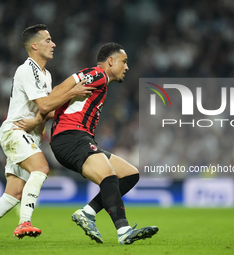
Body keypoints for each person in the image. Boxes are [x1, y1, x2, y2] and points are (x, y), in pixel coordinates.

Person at [0, 24, 93, 246]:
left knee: (13, 195)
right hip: (16, 131)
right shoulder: (27, 69)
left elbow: (47, 111)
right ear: (34, 45)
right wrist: (71, 92)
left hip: (28, 134)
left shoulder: (45, 75)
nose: (53, 44)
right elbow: (45, 104)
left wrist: (53, 112)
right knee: (42, 168)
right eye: (48, 40)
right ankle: (24, 222)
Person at [49, 42, 159, 245]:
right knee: (108, 175)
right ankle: (124, 230)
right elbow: (56, 92)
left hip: (78, 138)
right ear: (111, 61)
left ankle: (87, 213)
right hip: (71, 137)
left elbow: (60, 106)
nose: (127, 67)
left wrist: (44, 115)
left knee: (129, 174)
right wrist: (41, 111)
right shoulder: (97, 74)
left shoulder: (101, 83)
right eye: (124, 62)